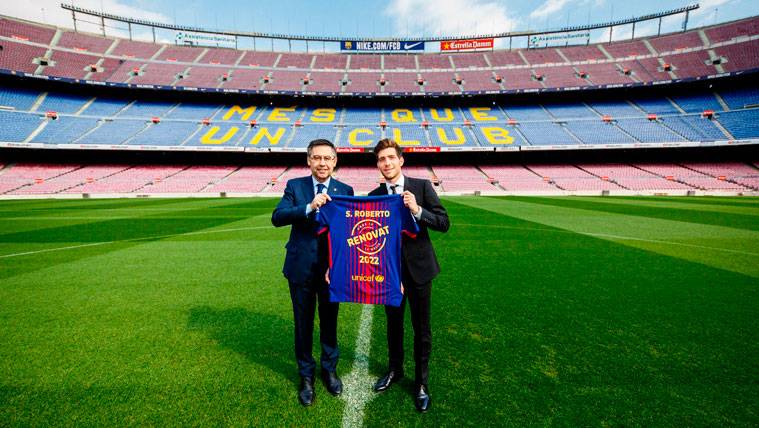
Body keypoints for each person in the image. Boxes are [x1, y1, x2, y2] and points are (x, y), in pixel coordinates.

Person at [368, 138, 450, 413]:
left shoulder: (422, 186)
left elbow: (443, 223)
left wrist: (417, 210)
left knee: (421, 329)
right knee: (393, 326)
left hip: (419, 271)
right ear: (378, 164)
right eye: (381, 159)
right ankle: (395, 370)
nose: (387, 163)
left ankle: (422, 383)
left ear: (401, 160)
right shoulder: (373, 196)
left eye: (391, 157)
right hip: (389, 274)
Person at [271, 139, 354, 406]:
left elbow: (348, 232)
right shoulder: (295, 186)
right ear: (308, 160)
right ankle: (306, 376)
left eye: (327, 158)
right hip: (300, 268)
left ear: (335, 161)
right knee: (303, 323)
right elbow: (278, 217)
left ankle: (329, 370)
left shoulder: (346, 189)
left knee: (330, 322)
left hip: (332, 271)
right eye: (316, 158)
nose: (322, 163)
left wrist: (340, 264)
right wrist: (310, 206)